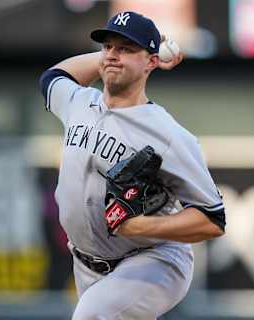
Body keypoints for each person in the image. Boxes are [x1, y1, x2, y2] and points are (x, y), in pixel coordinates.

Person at [39, 11, 225, 320]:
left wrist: (140, 226)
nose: (113, 55)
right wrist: (112, 58)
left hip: (153, 260)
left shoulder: (167, 134)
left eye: (126, 48)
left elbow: (212, 219)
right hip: (87, 265)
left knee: (90, 317)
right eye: (108, 46)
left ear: (151, 62)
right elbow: (52, 77)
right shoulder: (79, 102)